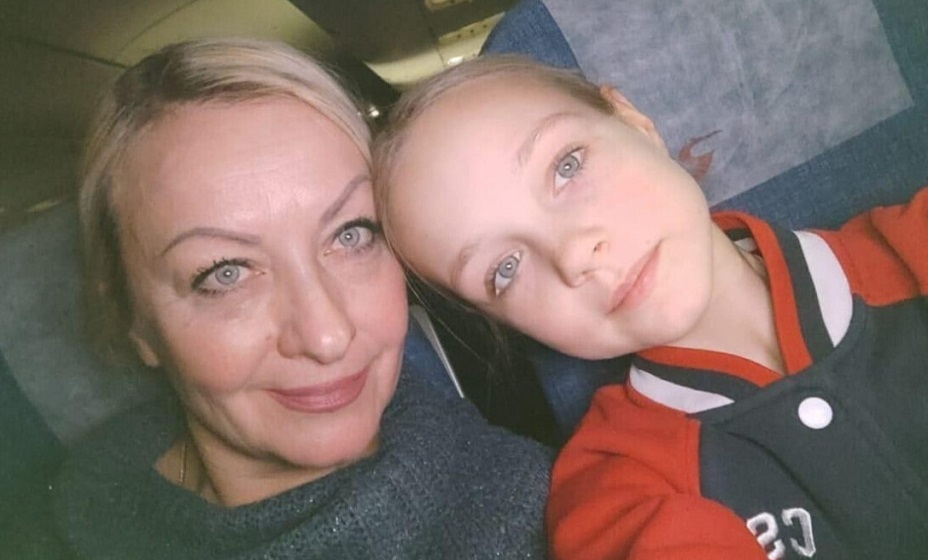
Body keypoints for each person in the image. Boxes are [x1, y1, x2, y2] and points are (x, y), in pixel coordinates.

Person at [4, 40, 553, 559]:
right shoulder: (45, 523)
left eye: (352, 234)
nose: (326, 335)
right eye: (225, 273)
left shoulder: (543, 518)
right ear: (132, 318)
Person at [372, 55, 928, 559]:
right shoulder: (614, 492)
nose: (573, 254)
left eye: (567, 166)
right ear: (506, 324)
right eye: (505, 269)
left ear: (635, 122)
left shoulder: (913, 241)